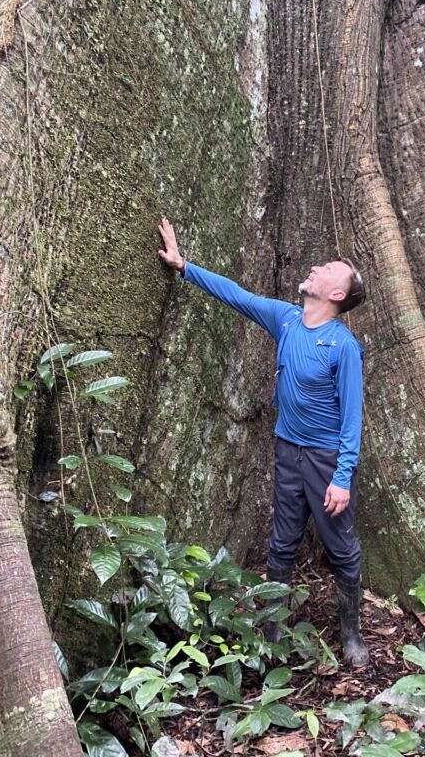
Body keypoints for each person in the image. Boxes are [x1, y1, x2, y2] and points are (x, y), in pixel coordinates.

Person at [156, 216, 370, 667]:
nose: (316, 267)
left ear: (336, 295)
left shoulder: (343, 346)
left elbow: (352, 419)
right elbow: (238, 295)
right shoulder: (287, 320)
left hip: (327, 460)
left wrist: (343, 477)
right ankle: (272, 631)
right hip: (287, 450)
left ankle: (351, 633)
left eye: (328, 269)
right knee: (282, 541)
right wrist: (183, 266)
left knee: (340, 546)